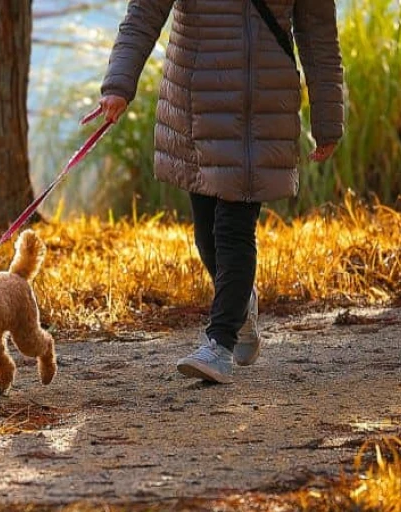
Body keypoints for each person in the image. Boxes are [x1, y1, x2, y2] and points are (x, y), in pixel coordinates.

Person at [98, 0, 345, 383]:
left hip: (261, 110)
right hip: (196, 106)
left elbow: (319, 37)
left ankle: (219, 344)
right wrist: (118, 85)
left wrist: (328, 120)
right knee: (206, 236)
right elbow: (144, 15)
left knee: (234, 230)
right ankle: (241, 301)